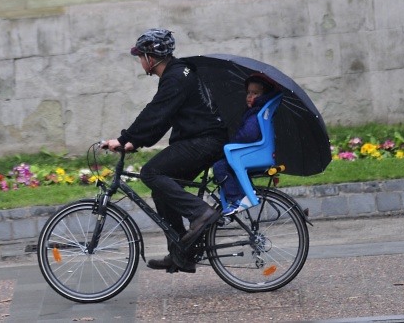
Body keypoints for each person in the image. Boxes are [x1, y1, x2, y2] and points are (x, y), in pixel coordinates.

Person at [102, 28, 228, 273]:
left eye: (141, 56)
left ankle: (201, 213)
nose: (140, 61)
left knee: (151, 173)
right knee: (162, 189)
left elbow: (156, 112)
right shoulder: (178, 73)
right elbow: (163, 117)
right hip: (203, 139)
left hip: (205, 141)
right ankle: (182, 253)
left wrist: (125, 138)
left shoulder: (176, 77)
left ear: (152, 56)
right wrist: (135, 141)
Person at [212, 74, 278, 216]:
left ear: (264, 95)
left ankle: (237, 199)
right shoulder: (260, 111)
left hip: (252, 154)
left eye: (255, 93)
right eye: (248, 92)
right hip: (261, 153)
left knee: (220, 167)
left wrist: (233, 142)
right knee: (228, 166)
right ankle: (238, 198)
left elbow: (248, 134)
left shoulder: (255, 114)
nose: (249, 96)